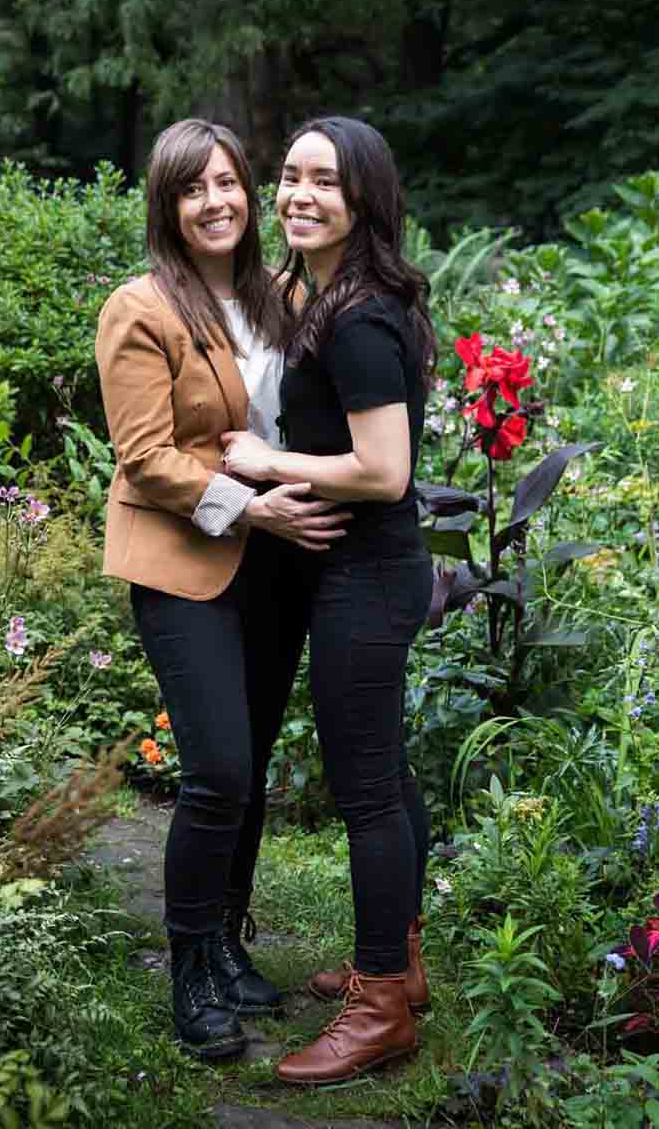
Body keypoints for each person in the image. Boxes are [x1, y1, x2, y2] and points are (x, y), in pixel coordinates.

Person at [94, 118, 352, 1060]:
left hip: (274, 570)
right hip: (186, 564)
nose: (218, 202)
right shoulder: (141, 307)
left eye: (230, 183)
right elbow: (148, 457)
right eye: (194, 188)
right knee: (218, 775)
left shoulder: (276, 299)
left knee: (246, 780)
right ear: (168, 205)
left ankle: (229, 941)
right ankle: (190, 968)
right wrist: (256, 511)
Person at [219, 115, 435, 1085]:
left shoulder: (359, 317)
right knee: (384, 772)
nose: (299, 195)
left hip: (368, 569)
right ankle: (403, 959)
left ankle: (381, 1003)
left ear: (365, 200)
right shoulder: (328, 294)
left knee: (367, 791)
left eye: (325, 183)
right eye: (290, 177)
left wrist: (268, 461)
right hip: (349, 567)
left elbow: (385, 470)